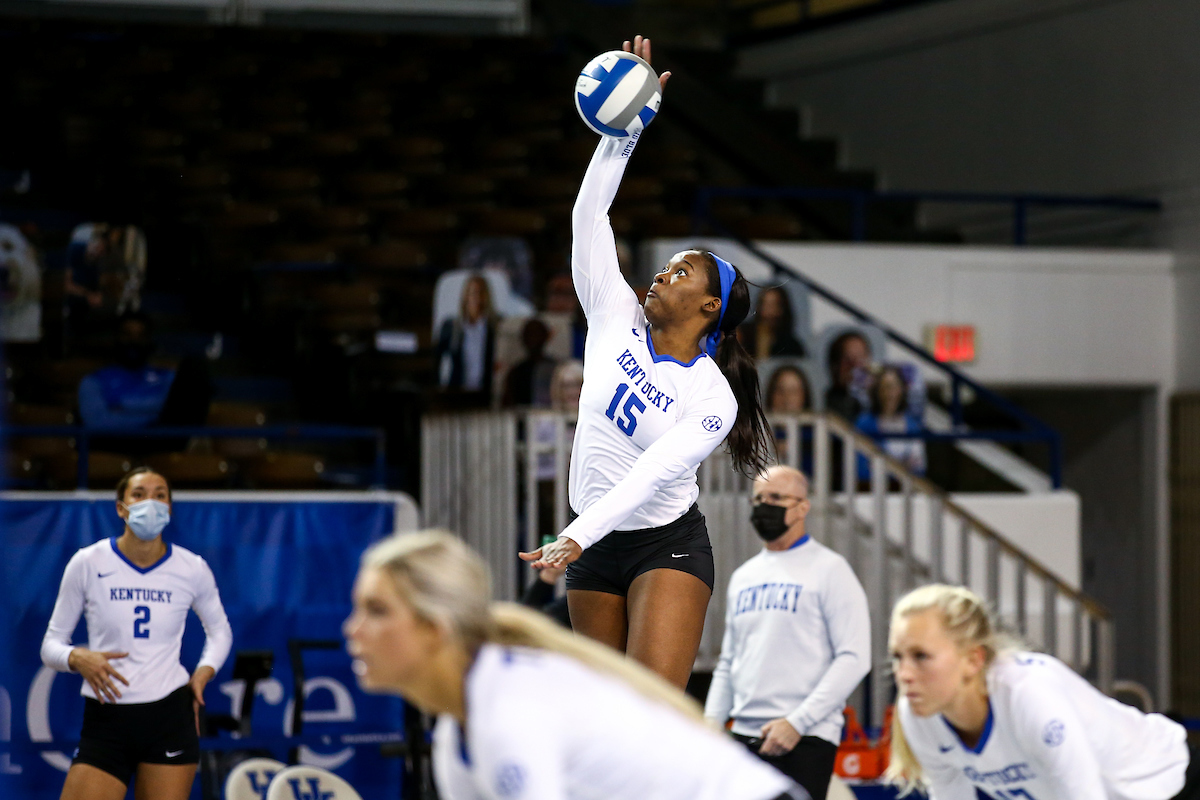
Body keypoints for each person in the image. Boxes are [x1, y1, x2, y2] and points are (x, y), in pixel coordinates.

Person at [518, 36, 774, 689]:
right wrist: (624, 130)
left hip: (667, 543)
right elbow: (587, 214)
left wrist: (576, 534)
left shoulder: (711, 398)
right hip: (595, 543)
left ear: (710, 306)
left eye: (680, 270)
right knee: (609, 722)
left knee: (653, 713)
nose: (661, 272)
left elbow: (651, 471)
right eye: (666, 264)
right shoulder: (613, 312)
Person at [345, 529, 807, 800]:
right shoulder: (456, 737)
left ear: (435, 627)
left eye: (377, 610)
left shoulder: (509, 711)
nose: (354, 629)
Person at [886, 583, 1196, 800]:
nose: (905, 675)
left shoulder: (1028, 696)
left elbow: (1085, 795)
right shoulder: (919, 712)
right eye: (897, 657)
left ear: (973, 660)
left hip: (1171, 783)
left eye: (921, 656)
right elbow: (950, 794)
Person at [41, 467, 233, 800]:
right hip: (107, 716)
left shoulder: (192, 568)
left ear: (170, 509)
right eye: (139, 494)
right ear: (121, 507)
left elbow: (220, 632)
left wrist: (203, 673)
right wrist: (76, 657)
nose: (151, 503)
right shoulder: (88, 562)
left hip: (169, 715)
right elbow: (50, 645)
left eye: (161, 496)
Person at [705, 465, 870, 800]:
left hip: (805, 738)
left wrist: (798, 722)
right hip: (744, 736)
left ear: (802, 507)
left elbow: (855, 657)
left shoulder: (830, 569)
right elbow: (730, 661)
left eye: (776, 497)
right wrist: (710, 723)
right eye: (759, 498)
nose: (764, 506)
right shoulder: (743, 576)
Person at [855, 365, 925, 478]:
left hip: (904, 491)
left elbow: (919, 468)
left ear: (901, 391)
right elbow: (860, 467)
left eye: (894, 387)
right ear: (877, 392)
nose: (890, 394)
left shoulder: (912, 426)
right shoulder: (864, 424)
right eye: (885, 387)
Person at [436, 273, 497, 401]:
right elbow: (436, 359)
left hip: (485, 394)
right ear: (466, 296)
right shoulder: (452, 327)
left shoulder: (494, 327)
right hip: (457, 392)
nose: (477, 298)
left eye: (481, 293)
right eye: (473, 293)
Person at [502, 318, 558, 408]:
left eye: (537, 334)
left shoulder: (556, 370)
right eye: (529, 334)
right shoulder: (515, 373)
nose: (533, 339)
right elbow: (507, 405)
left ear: (546, 336)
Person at [738, 286, 806, 360]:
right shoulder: (743, 334)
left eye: (775, 305)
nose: (770, 312)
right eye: (766, 305)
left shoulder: (791, 346)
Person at [824, 331, 871, 422]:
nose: (856, 366)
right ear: (835, 366)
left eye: (861, 359)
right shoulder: (824, 405)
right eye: (848, 360)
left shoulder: (878, 401)